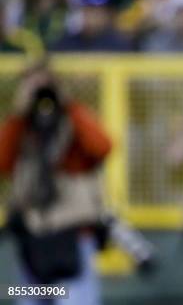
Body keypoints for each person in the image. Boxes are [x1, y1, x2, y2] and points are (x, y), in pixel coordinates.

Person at [0, 60, 111, 305]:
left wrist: (68, 105)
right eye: (32, 84)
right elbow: (3, 163)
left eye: (46, 84)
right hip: (32, 234)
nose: (41, 92)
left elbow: (102, 146)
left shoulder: (73, 116)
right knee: (30, 299)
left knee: (77, 299)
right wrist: (19, 114)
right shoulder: (21, 125)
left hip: (74, 235)